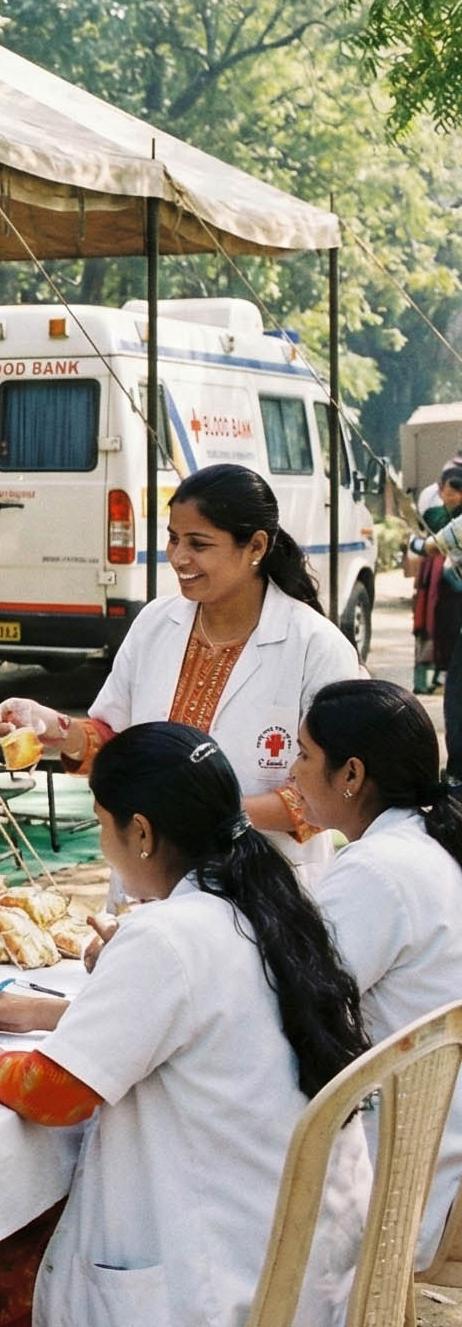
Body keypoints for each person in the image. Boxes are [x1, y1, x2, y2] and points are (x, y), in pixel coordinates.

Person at [0, 722, 370, 1327]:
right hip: (302, 1256)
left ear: (143, 833)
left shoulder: (167, 936)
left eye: (104, 825)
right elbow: (218, 1025)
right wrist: (57, 1012)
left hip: (216, 1279)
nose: (104, 842)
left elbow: (50, 1094)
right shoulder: (271, 900)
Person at [0, 463, 361, 876]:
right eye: (173, 539)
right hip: (150, 877)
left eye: (199, 544)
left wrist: (207, 819)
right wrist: (55, 728)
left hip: (263, 882)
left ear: (256, 547)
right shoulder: (155, 624)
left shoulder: (316, 646)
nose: (178, 557)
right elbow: (116, 746)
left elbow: (333, 793)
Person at [295, 679, 462, 1268]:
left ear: (351, 775)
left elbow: (285, 1001)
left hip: (404, 1180)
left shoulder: (380, 870)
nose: (291, 772)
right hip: (427, 1148)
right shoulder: (419, 842)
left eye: (305, 755)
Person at [410, 463, 462, 694]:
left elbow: (432, 546)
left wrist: (414, 543)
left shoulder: (458, 525)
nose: (449, 496)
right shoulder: (436, 513)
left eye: (454, 492)